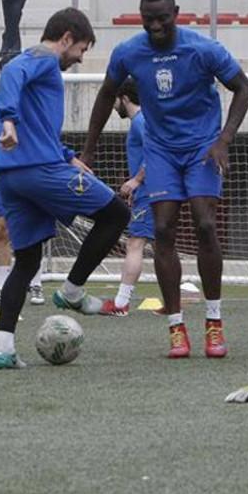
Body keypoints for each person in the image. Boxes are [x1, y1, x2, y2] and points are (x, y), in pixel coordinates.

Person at [82, 0, 248, 359]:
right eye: (148, 20)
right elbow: (105, 93)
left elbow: (243, 88)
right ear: (141, 18)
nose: (156, 26)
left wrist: (224, 139)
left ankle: (213, 320)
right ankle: (176, 325)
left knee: (206, 223)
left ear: (176, 13)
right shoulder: (129, 52)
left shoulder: (203, 49)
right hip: (159, 150)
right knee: (161, 230)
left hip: (201, 147)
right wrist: (89, 150)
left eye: (162, 18)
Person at [0, 7, 130, 370]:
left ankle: (3, 349)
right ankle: (72, 291)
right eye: (81, 49)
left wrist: (66, 154)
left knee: (28, 261)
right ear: (66, 38)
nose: (80, 58)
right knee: (117, 213)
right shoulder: (43, 58)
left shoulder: (39, 68)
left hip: (12, 177)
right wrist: (6, 119)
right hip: (37, 172)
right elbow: (12, 72)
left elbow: (39, 129)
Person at [0, 92, 45, 306]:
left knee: (33, 229)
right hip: (2, 175)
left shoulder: (34, 99)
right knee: (0, 229)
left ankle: (36, 284)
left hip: (31, 171)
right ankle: (4, 288)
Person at [100, 77, 151, 317]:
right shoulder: (143, 121)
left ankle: (121, 303)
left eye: (115, 101)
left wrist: (136, 181)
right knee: (165, 248)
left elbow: (153, 154)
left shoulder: (140, 122)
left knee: (134, 243)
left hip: (150, 192)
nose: (113, 107)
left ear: (125, 99)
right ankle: (173, 302)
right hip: (156, 191)